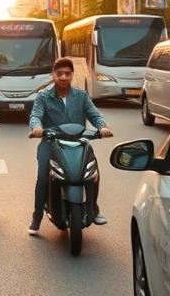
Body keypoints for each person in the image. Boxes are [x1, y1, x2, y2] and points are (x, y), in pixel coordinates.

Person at [27, 57, 113, 235]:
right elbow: (35, 115)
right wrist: (36, 128)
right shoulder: (43, 96)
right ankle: (37, 217)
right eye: (59, 74)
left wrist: (102, 127)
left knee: (92, 172)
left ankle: (94, 209)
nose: (63, 77)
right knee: (43, 175)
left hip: (79, 143)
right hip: (51, 144)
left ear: (72, 75)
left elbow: (95, 115)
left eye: (67, 74)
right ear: (53, 75)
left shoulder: (81, 96)